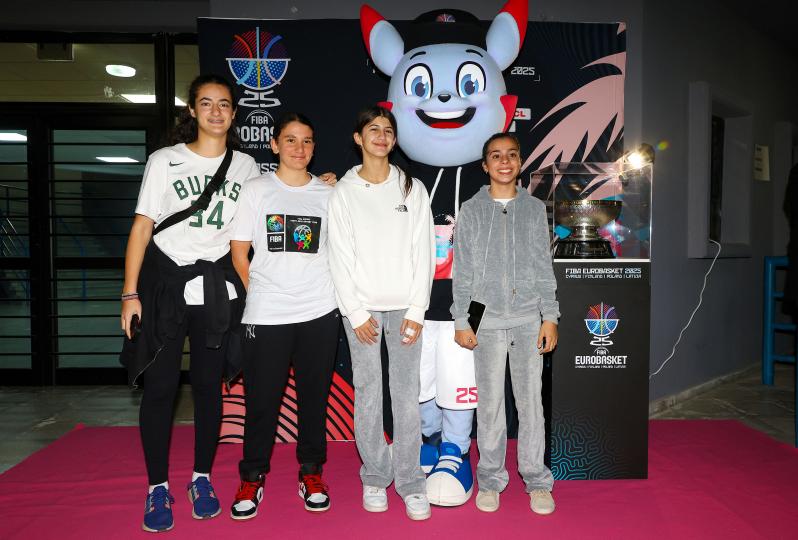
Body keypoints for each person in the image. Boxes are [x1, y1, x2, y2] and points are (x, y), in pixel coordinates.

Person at [120, 74, 260, 533]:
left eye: (224, 104)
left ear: (234, 114)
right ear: (193, 111)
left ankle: (201, 478)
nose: (216, 111)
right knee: (161, 388)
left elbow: (272, 205)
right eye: (206, 103)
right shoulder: (165, 160)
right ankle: (157, 486)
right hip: (164, 285)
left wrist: (322, 183)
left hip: (215, 289)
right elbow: (142, 227)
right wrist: (129, 293)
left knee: (207, 388)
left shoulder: (247, 166)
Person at [228, 112, 340, 519]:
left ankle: (311, 473)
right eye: (290, 140)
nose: (299, 148)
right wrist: (261, 292)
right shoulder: (256, 189)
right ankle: (252, 476)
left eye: (307, 140)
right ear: (274, 145)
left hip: (319, 311)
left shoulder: (330, 194)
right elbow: (239, 253)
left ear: (314, 147)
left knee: (314, 400)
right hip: (267, 314)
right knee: (261, 402)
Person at [327, 105, 435, 520]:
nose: (381, 136)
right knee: (369, 393)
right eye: (373, 129)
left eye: (388, 130)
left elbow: (423, 252)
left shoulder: (412, 188)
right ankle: (374, 475)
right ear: (358, 138)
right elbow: (338, 255)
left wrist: (417, 309)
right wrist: (355, 312)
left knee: (406, 395)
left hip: (406, 308)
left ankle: (410, 481)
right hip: (362, 311)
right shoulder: (344, 191)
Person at [451, 133, 560, 515]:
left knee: (531, 406)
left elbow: (544, 267)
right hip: (487, 323)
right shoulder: (471, 210)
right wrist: (462, 319)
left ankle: (537, 481)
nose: (504, 161)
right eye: (496, 156)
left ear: (520, 162)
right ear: (485, 165)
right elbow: (463, 271)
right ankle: (491, 479)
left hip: (529, 321)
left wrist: (550, 317)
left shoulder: (534, 209)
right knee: (491, 407)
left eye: (511, 155)